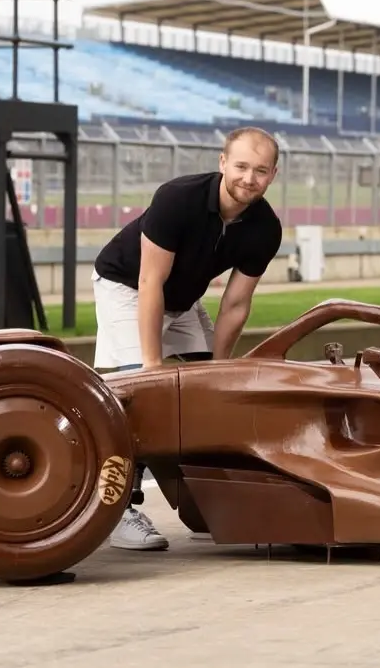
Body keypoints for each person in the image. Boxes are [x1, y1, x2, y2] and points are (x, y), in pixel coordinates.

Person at [90, 126, 283, 550]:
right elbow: (150, 281)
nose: (249, 178)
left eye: (260, 171)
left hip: (183, 301)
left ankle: (206, 504)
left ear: (273, 174)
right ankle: (118, 511)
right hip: (128, 287)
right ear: (222, 162)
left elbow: (235, 304)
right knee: (141, 398)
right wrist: (150, 367)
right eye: (241, 166)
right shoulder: (177, 198)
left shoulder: (266, 228)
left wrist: (217, 369)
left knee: (205, 395)